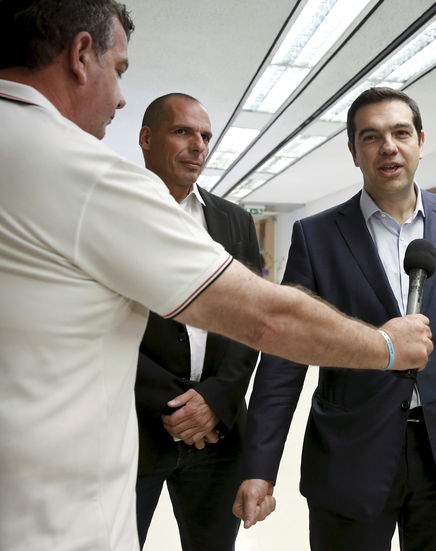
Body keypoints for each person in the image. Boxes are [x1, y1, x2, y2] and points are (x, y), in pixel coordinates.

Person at [0, 4, 432, 551]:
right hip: (55, 508)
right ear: (81, 56)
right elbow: (267, 318)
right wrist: (387, 345)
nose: (120, 94)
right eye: (121, 69)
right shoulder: (80, 174)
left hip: (154, 446)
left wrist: (218, 397)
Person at [234, 87, 436, 551]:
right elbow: (286, 356)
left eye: (401, 132)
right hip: (351, 455)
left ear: (420, 141)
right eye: (371, 136)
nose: (388, 147)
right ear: (353, 151)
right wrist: (260, 467)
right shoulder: (318, 235)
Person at [133, 93, 262, 550]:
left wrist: (216, 397)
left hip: (218, 433)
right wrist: (177, 406)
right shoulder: (115, 212)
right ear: (147, 138)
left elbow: (252, 322)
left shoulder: (235, 222)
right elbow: (103, 325)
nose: (198, 146)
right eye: (182, 131)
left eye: (205, 135)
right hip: (135, 429)